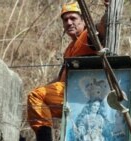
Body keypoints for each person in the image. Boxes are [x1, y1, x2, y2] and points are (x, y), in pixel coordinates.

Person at [27, 1, 109, 141]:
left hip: (79, 92)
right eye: (65, 20)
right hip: (67, 92)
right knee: (38, 97)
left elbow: (102, 29)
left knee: (37, 96)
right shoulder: (69, 49)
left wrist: (108, 10)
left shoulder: (87, 35)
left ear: (83, 20)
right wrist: (43, 89)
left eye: (73, 18)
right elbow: (60, 79)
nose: (69, 22)